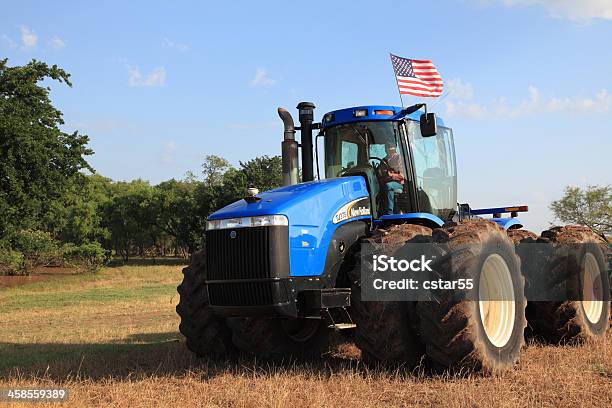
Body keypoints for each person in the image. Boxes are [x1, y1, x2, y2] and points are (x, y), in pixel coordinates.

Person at [381, 143, 405, 215]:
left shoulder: (399, 158)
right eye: (387, 148)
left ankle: (389, 212)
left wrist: (391, 175)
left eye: (390, 148)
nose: (388, 150)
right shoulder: (383, 160)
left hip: (399, 184)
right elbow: (380, 173)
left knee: (389, 186)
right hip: (385, 181)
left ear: (394, 149)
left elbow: (402, 176)